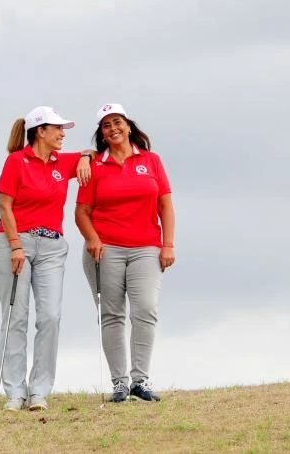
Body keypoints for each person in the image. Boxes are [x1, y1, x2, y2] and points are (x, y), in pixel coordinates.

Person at [0, 106, 93, 412]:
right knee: (17, 318)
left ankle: (39, 391)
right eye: (58, 129)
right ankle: (15, 392)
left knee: (50, 316)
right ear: (41, 131)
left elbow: (88, 152)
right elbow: (5, 206)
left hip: (51, 246)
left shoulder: (61, 162)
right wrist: (15, 246)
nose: (63, 134)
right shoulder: (16, 161)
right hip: (16, 243)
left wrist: (87, 158)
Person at [75, 103, 175, 403]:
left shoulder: (151, 160)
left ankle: (140, 380)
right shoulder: (94, 166)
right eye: (106, 125)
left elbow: (165, 205)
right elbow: (81, 212)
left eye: (117, 122)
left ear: (128, 126)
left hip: (146, 247)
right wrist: (92, 239)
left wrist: (168, 244)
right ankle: (119, 383)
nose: (113, 128)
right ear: (102, 135)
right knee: (112, 314)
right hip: (106, 248)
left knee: (145, 309)